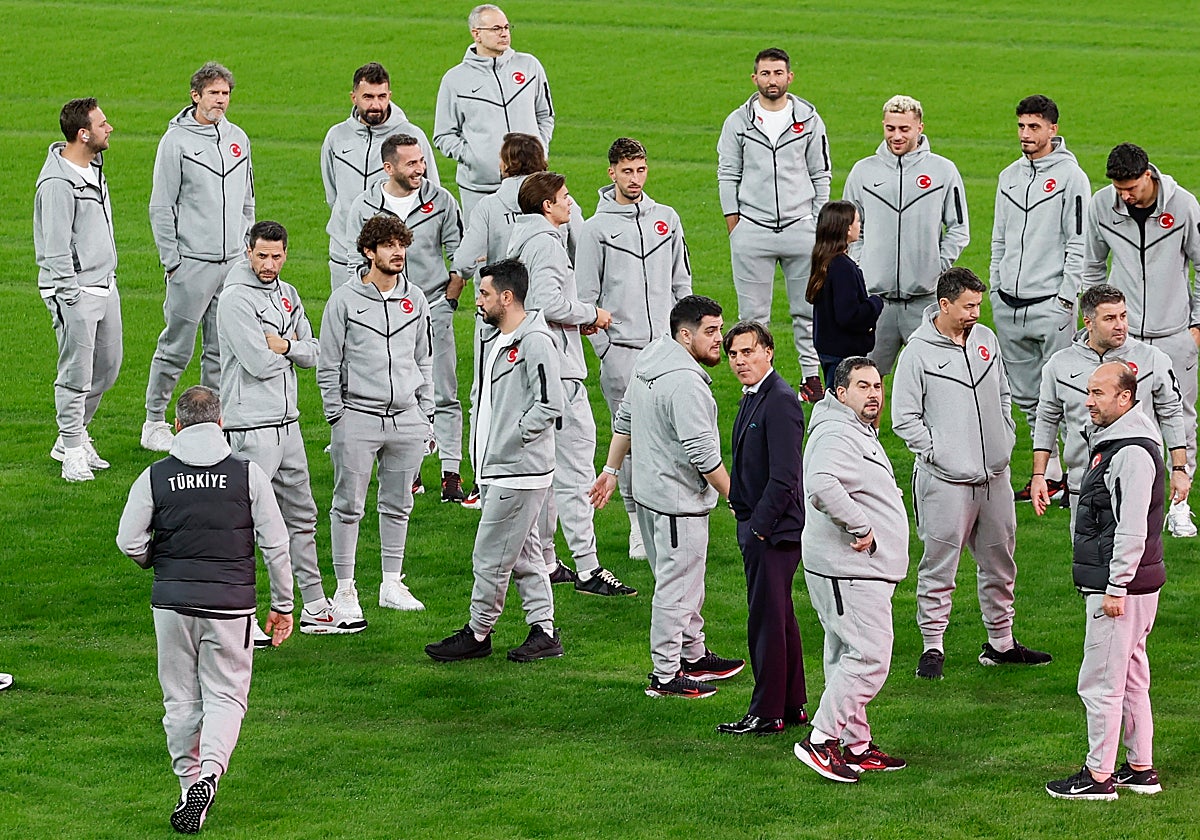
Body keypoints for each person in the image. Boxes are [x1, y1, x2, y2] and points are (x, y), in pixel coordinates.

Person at [115, 386, 294, 834]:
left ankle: (186, 787)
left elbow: (128, 541)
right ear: (220, 423)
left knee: (179, 701)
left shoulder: (154, 476)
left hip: (172, 604)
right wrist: (285, 606)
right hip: (231, 607)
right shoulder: (248, 474)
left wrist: (155, 559)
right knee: (226, 696)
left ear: (177, 426)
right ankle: (210, 775)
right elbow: (276, 544)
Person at [892, 267, 1051, 680]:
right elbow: (903, 418)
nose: (976, 313)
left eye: (978, 305)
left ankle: (1001, 643)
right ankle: (932, 647)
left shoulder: (985, 340)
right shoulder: (917, 354)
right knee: (939, 566)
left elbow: (1002, 392)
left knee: (1001, 563)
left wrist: (1005, 436)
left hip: (994, 479)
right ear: (944, 305)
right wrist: (938, 453)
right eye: (968, 306)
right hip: (945, 483)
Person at [216, 221, 366, 639]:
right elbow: (257, 364)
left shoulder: (288, 294)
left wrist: (282, 345)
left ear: (286, 253)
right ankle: (241, 614)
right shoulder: (234, 300)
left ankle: (316, 608)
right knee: (245, 523)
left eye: (277, 256)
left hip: (288, 426)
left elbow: (314, 352)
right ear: (248, 251)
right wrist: (293, 350)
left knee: (302, 518)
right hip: (251, 429)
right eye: (261, 255)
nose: (269, 263)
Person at [591, 296, 744, 698]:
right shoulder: (687, 383)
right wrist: (737, 497)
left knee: (681, 584)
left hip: (649, 494)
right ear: (685, 334)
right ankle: (664, 674)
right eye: (710, 332)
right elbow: (705, 456)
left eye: (720, 329)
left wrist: (609, 471)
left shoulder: (653, 355)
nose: (720, 341)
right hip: (677, 503)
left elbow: (625, 416)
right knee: (677, 589)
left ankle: (693, 654)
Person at [425, 259, 564, 662]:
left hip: (516, 470)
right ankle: (544, 630)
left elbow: (549, 403)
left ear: (507, 297)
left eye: (484, 294)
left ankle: (478, 631)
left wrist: (511, 440)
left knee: (489, 556)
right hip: (501, 467)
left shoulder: (534, 342)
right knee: (525, 554)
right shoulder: (499, 338)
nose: (478, 301)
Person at [508, 171, 635, 596]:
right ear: (547, 205)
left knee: (544, 473)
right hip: (559, 373)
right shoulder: (546, 242)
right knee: (577, 471)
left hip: (534, 365)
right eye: (564, 196)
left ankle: (545, 559)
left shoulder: (520, 237)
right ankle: (587, 567)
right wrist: (590, 314)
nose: (570, 202)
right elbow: (547, 303)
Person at [1046, 362, 1166, 800]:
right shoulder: (1121, 444)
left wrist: (1115, 587)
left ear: (1125, 398)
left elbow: (1131, 528)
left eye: (1098, 393)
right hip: (1137, 585)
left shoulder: (1130, 453)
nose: (1089, 401)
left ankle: (1098, 777)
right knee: (1132, 676)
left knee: (1100, 682)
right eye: (1089, 392)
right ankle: (1140, 768)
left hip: (1122, 589)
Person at [576, 137, 693, 560]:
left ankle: (669, 517)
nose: (635, 179)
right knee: (628, 440)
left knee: (674, 437)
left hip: (667, 349)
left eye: (641, 169)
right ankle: (636, 525)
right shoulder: (595, 229)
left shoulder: (668, 218)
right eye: (627, 171)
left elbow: (683, 283)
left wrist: (684, 340)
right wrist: (607, 349)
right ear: (611, 172)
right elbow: (585, 299)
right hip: (622, 353)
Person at [793, 358, 909, 782]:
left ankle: (855, 745)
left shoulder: (851, 427)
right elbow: (821, 484)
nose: (874, 393)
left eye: (877, 385)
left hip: (848, 567)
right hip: (851, 566)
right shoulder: (837, 432)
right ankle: (822, 740)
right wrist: (861, 526)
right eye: (863, 386)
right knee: (870, 657)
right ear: (841, 393)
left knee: (845, 655)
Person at [452, 131, 582, 509]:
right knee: (543, 396)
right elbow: (581, 248)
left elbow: (463, 260)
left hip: (496, 319)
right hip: (545, 324)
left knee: (487, 396)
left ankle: (482, 479)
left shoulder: (489, 206)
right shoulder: (558, 200)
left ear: (504, 163)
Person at [317, 215, 433, 620]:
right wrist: (338, 417)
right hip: (358, 417)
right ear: (369, 251)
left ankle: (391, 583)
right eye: (388, 245)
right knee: (348, 506)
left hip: (407, 419)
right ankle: (345, 590)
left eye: (401, 244)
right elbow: (327, 363)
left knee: (398, 504)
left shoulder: (415, 299)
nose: (398, 252)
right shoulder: (343, 301)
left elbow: (424, 358)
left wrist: (426, 413)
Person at [1082, 142, 1200, 537]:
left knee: (1179, 417)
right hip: (1122, 335)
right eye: (1119, 189)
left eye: (1131, 187)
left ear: (1149, 175)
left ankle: (1179, 505)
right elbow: (1093, 265)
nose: (1125, 196)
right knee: (1120, 416)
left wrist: (1197, 326)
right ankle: (1116, 502)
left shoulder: (1182, 206)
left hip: (1173, 334)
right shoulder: (1102, 205)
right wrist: (1094, 322)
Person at [344, 134, 467, 501]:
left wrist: (447, 303)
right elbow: (355, 263)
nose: (421, 168)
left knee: (444, 392)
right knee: (394, 392)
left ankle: (450, 473)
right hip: (386, 315)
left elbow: (459, 258)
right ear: (389, 167)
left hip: (432, 309)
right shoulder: (364, 206)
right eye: (411, 163)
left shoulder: (441, 201)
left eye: (421, 161)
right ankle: (407, 470)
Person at [143, 62, 254, 452]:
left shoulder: (238, 138)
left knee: (221, 349)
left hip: (232, 265)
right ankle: (155, 420)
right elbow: (161, 206)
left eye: (225, 94)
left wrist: (245, 250)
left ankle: (209, 423)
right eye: (213, 94)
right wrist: (173, 260)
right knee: (176, 346)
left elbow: (247, 201)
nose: (221, 101)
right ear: (196, 96)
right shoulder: (175, 143)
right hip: (191, 264)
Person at [991, 95, 1091, 502]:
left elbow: (1078, 242)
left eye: (1033, 127)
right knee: (1028, 398)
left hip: (1051, 303)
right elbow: (998, 238)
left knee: (1066, 395)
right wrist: (996, 287)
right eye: (1020, 126)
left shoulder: (1072, 178)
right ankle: (1048, 478)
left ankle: (1080, 479)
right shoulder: (1008, 177)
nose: (1025, 135)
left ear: (1053, 129)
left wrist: (1066, 300)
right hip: (1009, 304)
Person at [718, 47, 830, 402]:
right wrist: (734, 223)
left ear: (789, 77)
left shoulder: (809, 119)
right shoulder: (738, 121)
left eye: (778, 73)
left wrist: (817, 223)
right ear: (755, 78)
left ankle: (811, 380)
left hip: (801, 227)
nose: (772, 80)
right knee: (752, 316)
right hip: (753, 228)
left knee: (808, 309)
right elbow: (727, 173)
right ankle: (757, 385)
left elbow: (821, 173)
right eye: (765, 74)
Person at [1032, 285, 1188, 529]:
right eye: (1110, 318)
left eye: (1123, 316)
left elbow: (1171, 413)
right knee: (1086, 562)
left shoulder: (1153, 359)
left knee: (1138, 560)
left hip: (1137, 482)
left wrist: (1179, 468)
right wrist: (1039, 475)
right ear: (1088, 322)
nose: (1120, 325)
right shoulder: (1059, 365)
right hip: (1082, 483)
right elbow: (1046, 419)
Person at [717, 321, 807, 735]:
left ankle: (766, 712)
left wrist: (757, 528)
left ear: (768, 351)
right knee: (781, 617)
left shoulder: (781, 400)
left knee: (766, 621)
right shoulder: (757, 397)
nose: (740, 361)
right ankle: (790, 704)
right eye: (734, 354)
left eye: (748, 352)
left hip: (771, 533)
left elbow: (786, 475)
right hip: (765, 527)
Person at [842, 95, 969, 375]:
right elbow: (849, 230)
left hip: (924, 302)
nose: (896, 136)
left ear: (920, 127)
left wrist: (938, 265)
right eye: (890, 129)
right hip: (875, 302)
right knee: (865, 380)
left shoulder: (943, 171)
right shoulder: (863, 172)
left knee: (933, 377)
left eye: (904, 129)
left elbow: (959, 229)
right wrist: (863, 266)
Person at [34, 97, 122, 482]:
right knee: (75, 373)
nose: (110, 128)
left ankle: (74, 433)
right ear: (83, 133)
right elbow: (54, 247)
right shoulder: (57, 183)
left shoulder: (93, 167)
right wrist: (69, 296)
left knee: (107, 367)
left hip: (105, 285)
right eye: (103, 124)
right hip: (77, 291)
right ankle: (71, 450)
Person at [321, 62, 440, 290]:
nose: (376, 104)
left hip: (393, 255)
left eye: (382, 96)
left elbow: (429, 192)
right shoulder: (336, 137)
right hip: (345, 255)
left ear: (390, 95)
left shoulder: (412, 136)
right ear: (353, 97)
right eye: (368, 97)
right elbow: (333, 194)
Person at [434, 4, 554, 217]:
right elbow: (443, 135)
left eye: (507, 27)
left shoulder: (529, 66)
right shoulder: (455, 79)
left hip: (531, 183)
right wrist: (475, 158)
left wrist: (540, 146)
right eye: (496, 28)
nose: (504, 33)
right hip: (480, 188)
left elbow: (545, 115)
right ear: (476, 34)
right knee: (482, 249)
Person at [805, 200, 882, 387]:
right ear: (847, 229)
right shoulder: (842, 267)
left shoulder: (825, 259)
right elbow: (848, 315)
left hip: (829, 348)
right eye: (856, 221)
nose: (859, 225)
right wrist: (875, 303)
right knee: (843, 407)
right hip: (843, 353)